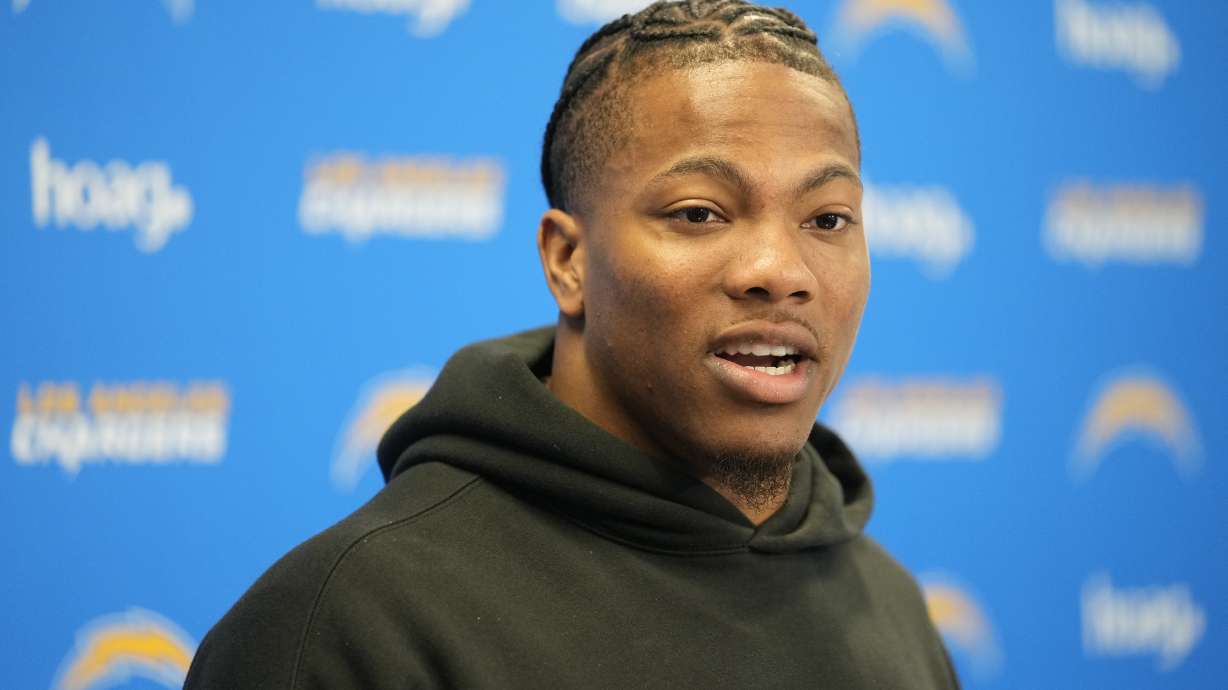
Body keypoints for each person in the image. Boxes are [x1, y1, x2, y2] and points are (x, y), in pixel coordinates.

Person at [185, 1, 959, 687]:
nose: (780, 273)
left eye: (827, 219)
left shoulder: (887, 605)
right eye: (700, 212)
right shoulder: (348, 624)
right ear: (568, 262)